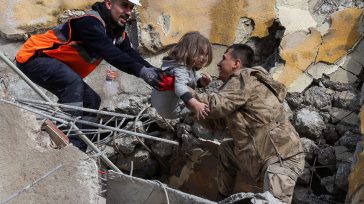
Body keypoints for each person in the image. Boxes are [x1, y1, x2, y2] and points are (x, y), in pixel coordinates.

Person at [15, 0, 166, 151]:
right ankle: (68, 146)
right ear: (109, 4)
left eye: (131, 7)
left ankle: (79, 149)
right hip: (34, 57)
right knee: (72, 83)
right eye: (124, 5)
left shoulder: (116, 32)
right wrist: (142, 73)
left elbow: (131, 54)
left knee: (92, 100)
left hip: (54, 63)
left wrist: (155, 72)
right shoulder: (90, 23)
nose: (128, 12)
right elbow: (110, 53)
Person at [192, 44, 304, 203]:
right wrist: (190, 106)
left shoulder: (244, 77)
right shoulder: (235, 90)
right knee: (227, 149)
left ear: (236, 64)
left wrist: (185, 93)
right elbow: (214, 123)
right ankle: (223, 199)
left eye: (224, 58)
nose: (218, 64)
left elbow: (215, 106)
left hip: (281, 158)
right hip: (262, 155)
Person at [151, 31, 213, 119]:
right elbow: (180, 87)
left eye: (206, 54)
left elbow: (193, 78)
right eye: (201, 53)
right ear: (189, 50)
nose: (204, 58)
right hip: (171, 111)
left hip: (159, 106)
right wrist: (196, 105)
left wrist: (202, 81)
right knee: (208, 107)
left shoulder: (184, 65)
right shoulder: (180, 68)